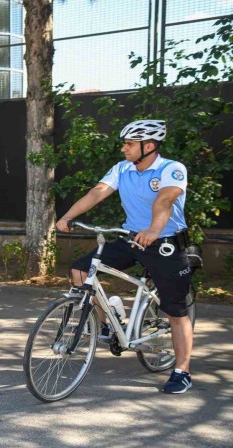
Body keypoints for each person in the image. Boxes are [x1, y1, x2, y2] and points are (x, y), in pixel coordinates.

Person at [56, 119, 194, 394]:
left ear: (149, 146)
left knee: (175, 311)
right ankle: (107, 326)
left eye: (129, 144)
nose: (124, 149)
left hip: (164, 243)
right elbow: (98, 192)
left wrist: (154, 230)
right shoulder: (123, 169)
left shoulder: (172, 169)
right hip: (133, 239)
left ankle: (182, 370)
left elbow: (165, 200)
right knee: (80, 271)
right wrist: (69, 215)